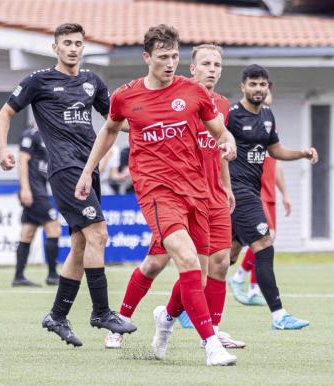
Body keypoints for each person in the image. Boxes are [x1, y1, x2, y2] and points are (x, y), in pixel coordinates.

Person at [76, 25, 238, 366]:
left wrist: (229, 142)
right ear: (147, 57)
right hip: (156, 190)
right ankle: (210, 344)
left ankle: (165, 319)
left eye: (175, 56)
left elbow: (219, 130)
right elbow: (107, 131)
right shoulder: (126, 96)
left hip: (196, 191)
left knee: (200, 270)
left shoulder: (193, 93)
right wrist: (89, 170)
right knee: (184, 256)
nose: (170, 63)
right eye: (163, 57)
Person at [0, 23, 136, 348]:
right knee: (98, 233)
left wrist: (151, 128)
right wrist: (4, 149)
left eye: (78, 43)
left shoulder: (92, 82)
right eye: (67, 43)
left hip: (90, 169)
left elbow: (115, 122)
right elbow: (4, 114)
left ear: (83, 47)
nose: (73, 48)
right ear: (56, 48)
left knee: (81, 245)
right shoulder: (38, 80)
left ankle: (57, 315)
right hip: (65, 171)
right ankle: (101, 311)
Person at [227, 64, 318, 330]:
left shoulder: (267, 114)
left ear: (268, 88)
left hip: (249, 190)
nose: (258, 88)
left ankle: (177, 310)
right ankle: (279, 315)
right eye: (253, 84)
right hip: (238, 190)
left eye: (262, 84)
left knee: (225, 256)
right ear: (243, 86)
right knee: (264, 243)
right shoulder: (231, 115)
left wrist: (301, 153)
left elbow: (275, 150)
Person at [229, 86, 292, 306]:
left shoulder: (267, 124)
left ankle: (250, 284)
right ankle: (244, 282)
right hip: (251, 192)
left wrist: (284, 193)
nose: (265, 93)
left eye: (267, 88)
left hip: (267, 191)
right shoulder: (239, 120)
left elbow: (276, 165)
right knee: (265, 238)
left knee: (238, 247)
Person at [12, 125, 61, 287]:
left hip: (39, 190)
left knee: (27, 232)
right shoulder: (31, 135)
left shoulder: (48, 136)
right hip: (34, 192)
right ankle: (53, 275)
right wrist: (25, 189)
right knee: (54, 228)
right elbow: (22, 160)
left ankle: (19, 277)